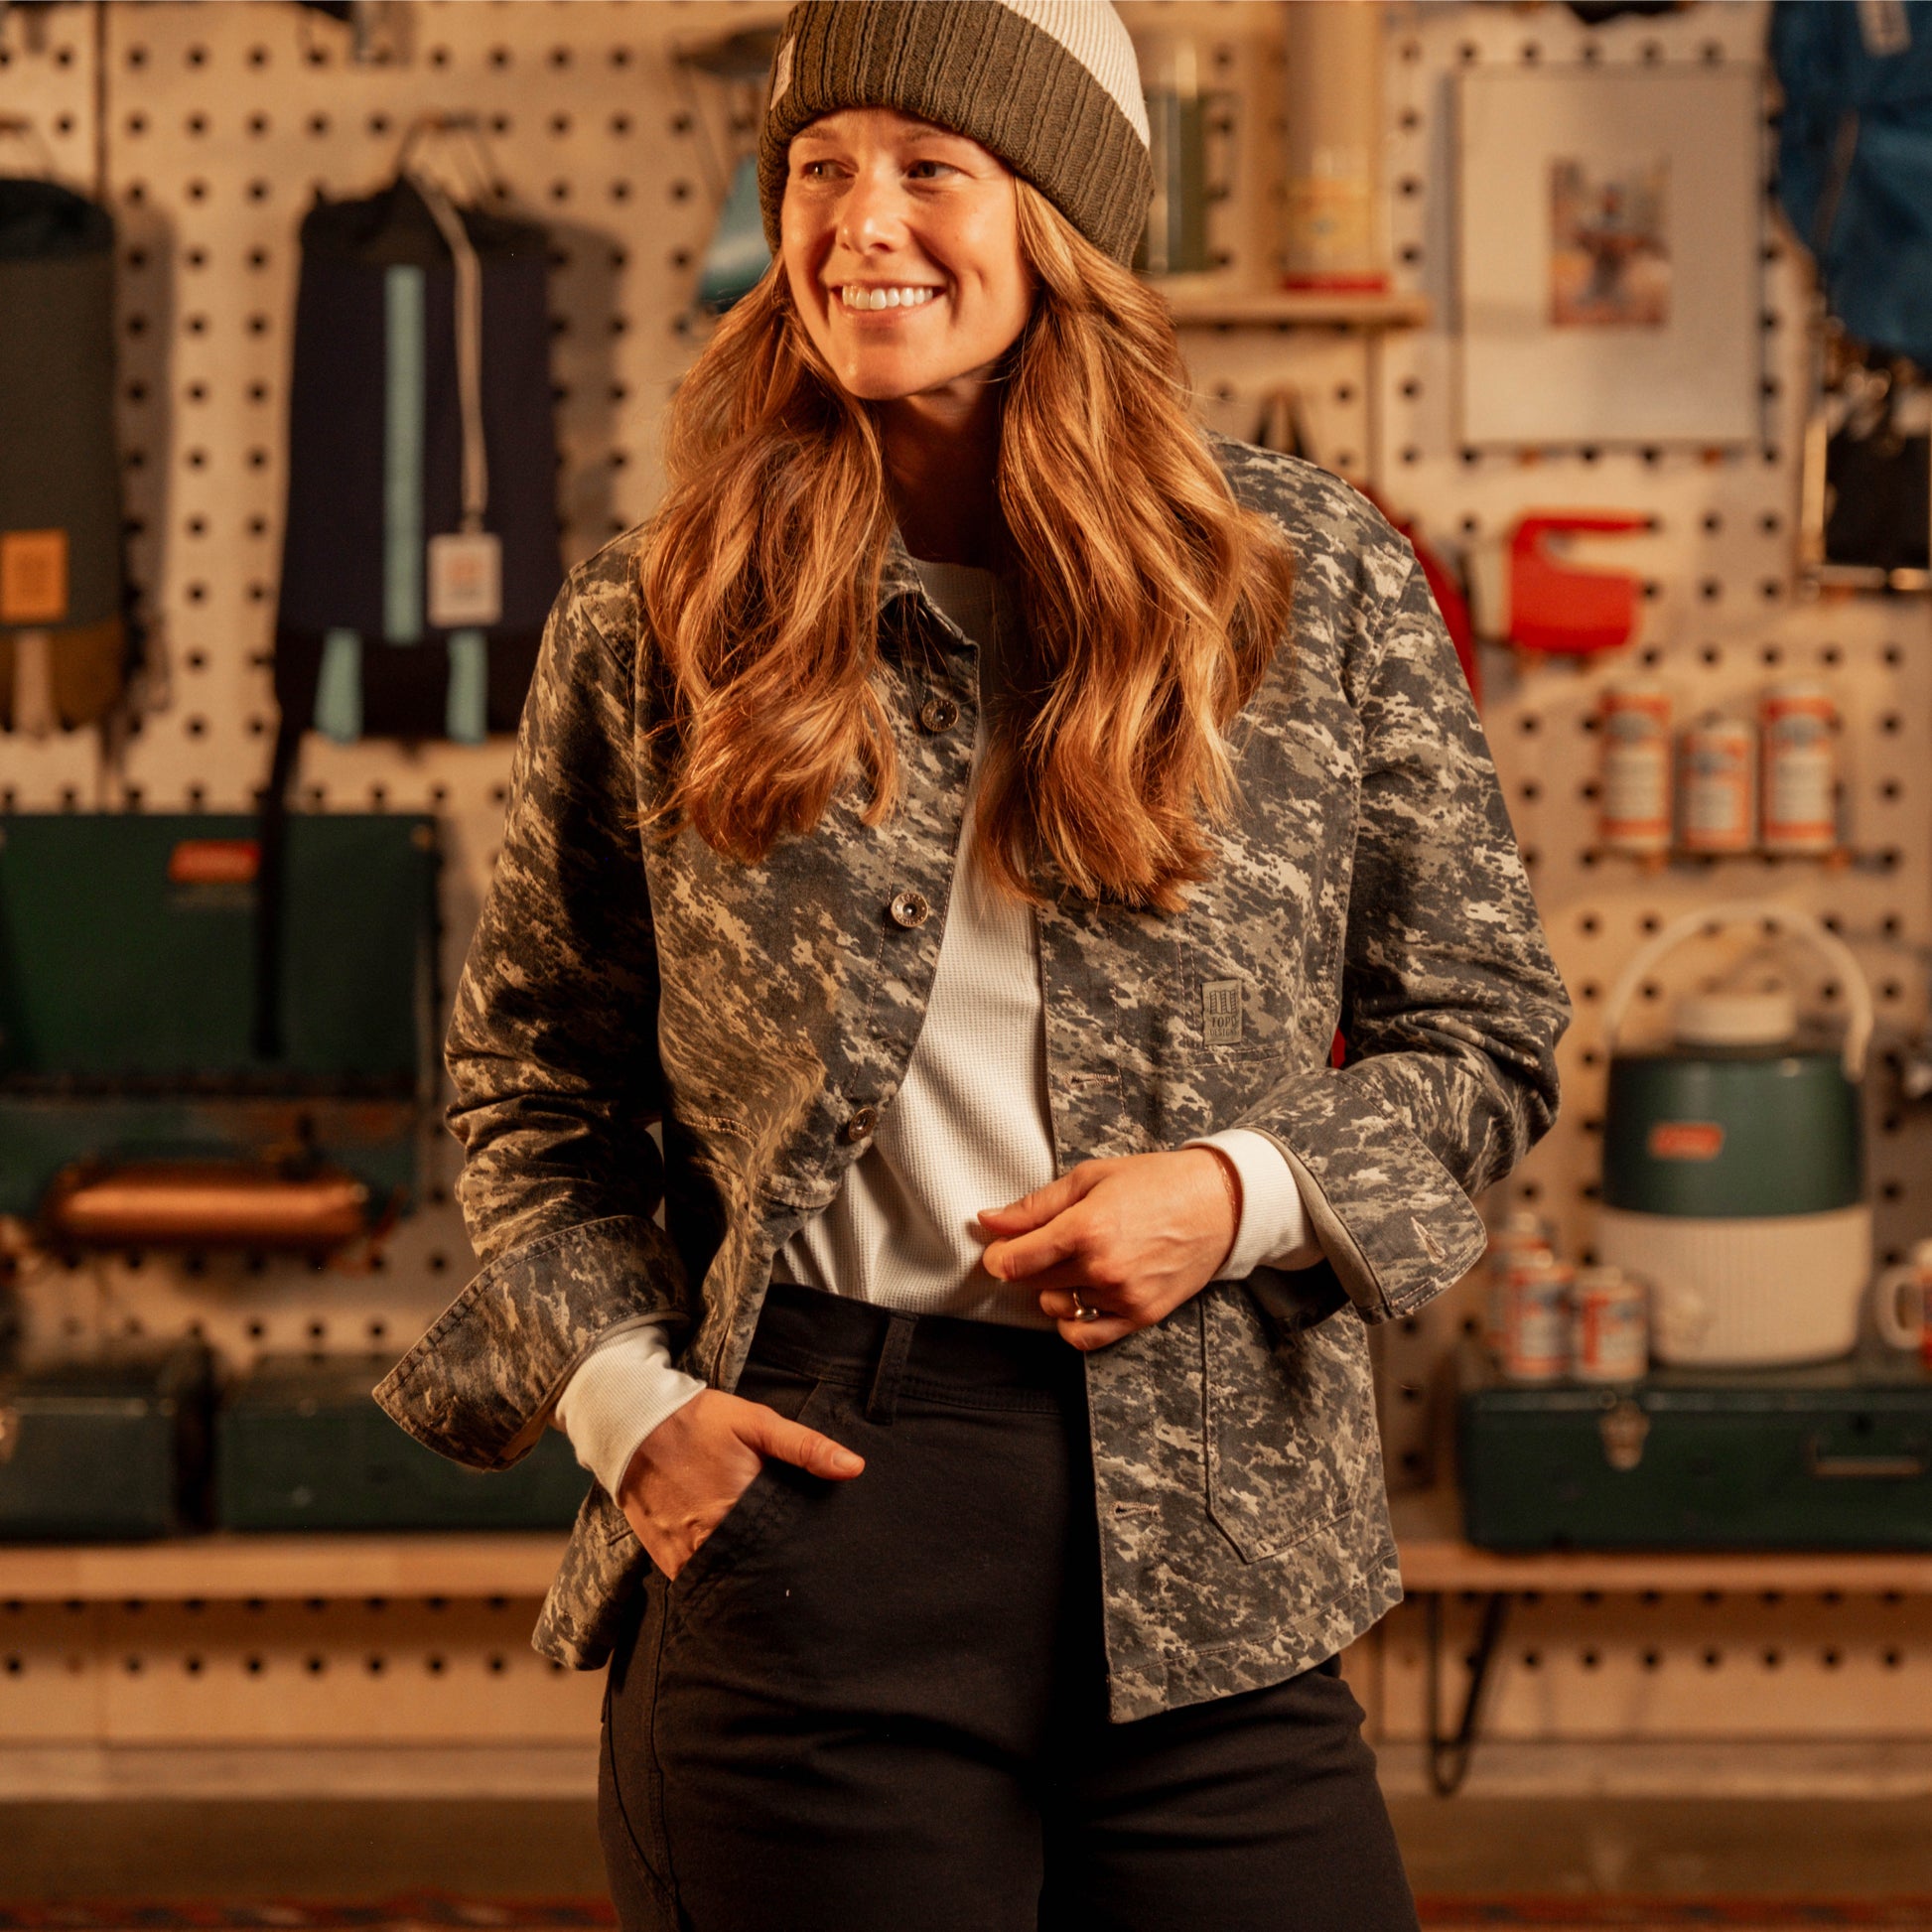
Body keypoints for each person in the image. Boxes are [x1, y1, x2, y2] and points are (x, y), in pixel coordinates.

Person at [375, 3, 1571, 1926]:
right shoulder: (658, 611)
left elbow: (1485, 1034)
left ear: (1062, 223)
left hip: (1227, 1529)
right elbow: (534, 1080)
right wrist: (627, 1407)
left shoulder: (1303, 577)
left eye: (931, 167)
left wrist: (1240, 1191)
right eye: (821, 169)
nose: (862, 221)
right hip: (809, 1502)